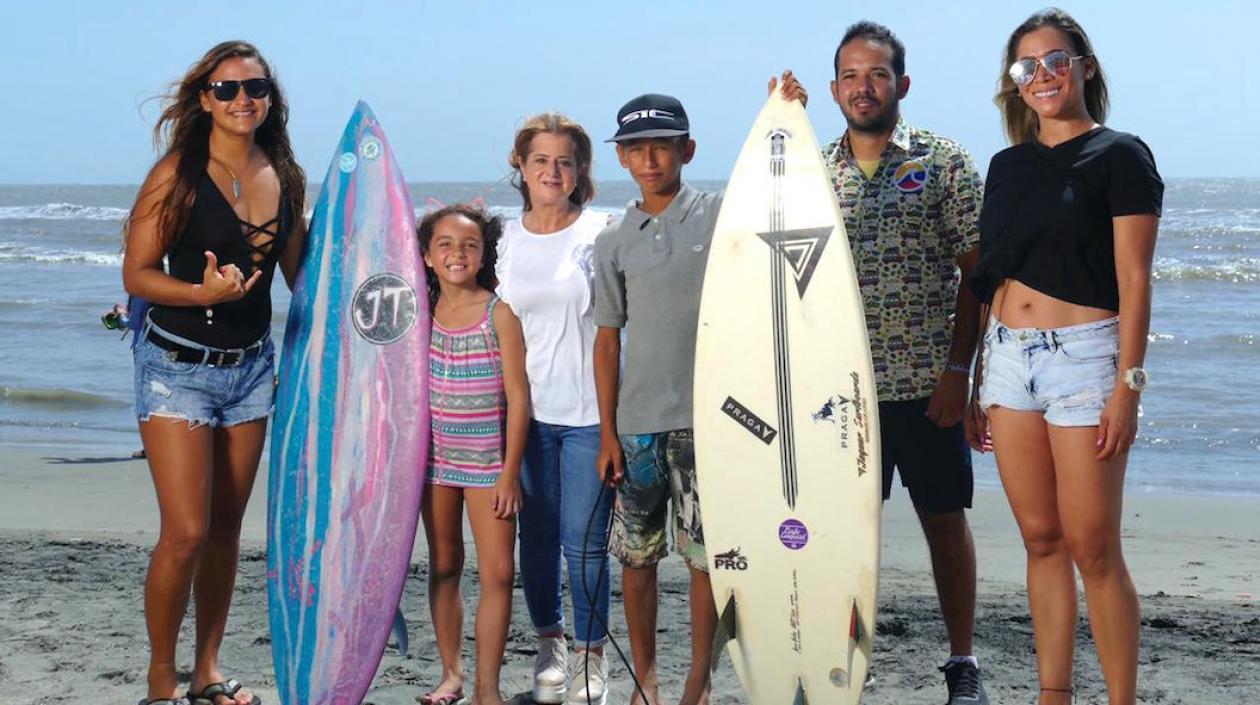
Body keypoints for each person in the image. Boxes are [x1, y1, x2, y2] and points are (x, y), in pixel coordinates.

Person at [775, 19, 989, 705]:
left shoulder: (942, 159)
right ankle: (833, 664)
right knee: (836, 538)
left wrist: (961, 374)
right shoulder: (812, 168)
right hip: (835, 395)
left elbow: (978, 275)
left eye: (876, 74)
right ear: (834, 86)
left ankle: (962, 662)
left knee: (944, 520)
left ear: (902, 82)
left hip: (927, 387)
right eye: (849, 75)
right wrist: (782, 119)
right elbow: (775, 267)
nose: (862, 87)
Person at [967, 9, 1162, 705]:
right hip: (1007, 363)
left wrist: (1128, 387)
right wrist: (973, 383)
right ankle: (1053, 693)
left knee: (1093, 547)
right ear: (1014, 84)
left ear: (1086, 66)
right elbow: (992, 274)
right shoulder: (1006, 166)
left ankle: (1120, 699)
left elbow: (1136, 279)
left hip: (1085, 360)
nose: (1043, 75)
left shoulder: (1121, 156)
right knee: (1041, 539)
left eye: (1055, 61)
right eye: (1028, 67)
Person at [121, 41, 306, 705]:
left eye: (253, 88)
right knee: (186, 531)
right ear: (205, 99)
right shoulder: (177, 173)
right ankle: (159, 679)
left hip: (252, 368)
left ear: (269, 98)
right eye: (225, 89)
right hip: (176, 366)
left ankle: (206, 670)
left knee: (227, 528)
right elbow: (136, 273)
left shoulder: (283, 174)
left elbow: (300, 277)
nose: (241, 100)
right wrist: (200, 295)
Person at [592, 93, 722, 705]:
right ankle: (647, 677)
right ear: (621, 158)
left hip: (711, 424)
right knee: (638, 559)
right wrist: (607, 433)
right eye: (636, 149)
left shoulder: (722, 214)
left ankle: (699, 676)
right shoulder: (614, 240)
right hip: (637, 425)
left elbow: (787, 197)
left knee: (706, 560)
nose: (649, 159)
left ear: (686, 151)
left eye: (662, 147)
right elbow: (608, 342)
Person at [498, 114, 615, 705]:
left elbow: (629, 317)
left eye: (564, 161)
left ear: (580, 172)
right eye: (540, 160)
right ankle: (551, 645)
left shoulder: (602, 231)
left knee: (586, 544)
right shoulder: (501, 239)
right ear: (520, 165)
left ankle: (593, 660)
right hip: (526, 417)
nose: (552, 171)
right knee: (536, 541)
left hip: (594, 415)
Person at [416, 205, 529, 705]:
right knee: (443, 564)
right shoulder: (419, 312)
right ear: (427, 255)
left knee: (499, 572)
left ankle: (488, 687)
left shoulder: (498, 313)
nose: (456, 254)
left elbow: (519, 399)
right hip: (433, 465)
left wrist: (509, 474)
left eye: (468, 245)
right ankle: (451, 674)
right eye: (444, 244)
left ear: (484, 254)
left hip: (488, 468)